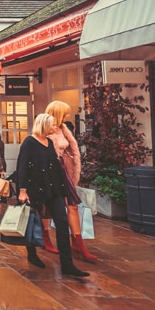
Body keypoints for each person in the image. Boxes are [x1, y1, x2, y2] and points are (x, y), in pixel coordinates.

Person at [16, 113, 89, 277]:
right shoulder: (29, 142)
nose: (55, 128)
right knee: (32, 222)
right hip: (35, 188)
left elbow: (55, 166)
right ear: (44, 125)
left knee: (62, 223)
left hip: (53, 188)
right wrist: (22, 190)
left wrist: (64, 187)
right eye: (52, 125)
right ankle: (32, 254)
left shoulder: (49, 142)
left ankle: (67, 265)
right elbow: (22, 166)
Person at [44, 100, 98, 261]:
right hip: (49, 172)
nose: (68, 115)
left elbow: (70, 148)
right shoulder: (45, 128)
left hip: (64, 171)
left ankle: (78, 243)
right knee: (46, 207)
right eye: (66, 112)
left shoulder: (63, 128)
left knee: (73, 205)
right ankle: (45, 237)